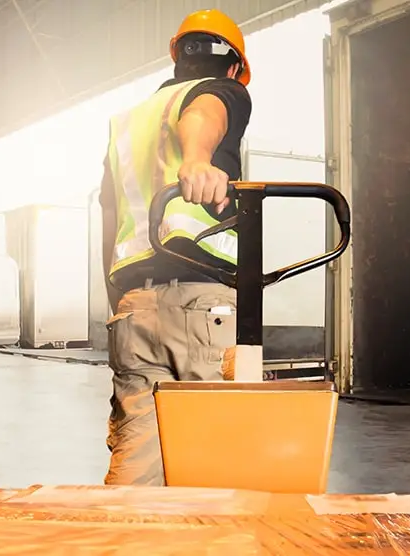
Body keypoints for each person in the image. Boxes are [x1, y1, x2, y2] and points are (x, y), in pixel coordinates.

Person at [96, 9, 254, 486]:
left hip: (134, 307)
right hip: (203, 303)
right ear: (233, 67)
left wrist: (117, 299)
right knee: (217, 459)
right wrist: (197, 159)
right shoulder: (223, 92)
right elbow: (206, 113)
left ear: (177, 57)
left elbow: (108, 214)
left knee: (137, 460)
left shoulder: (130, 122)